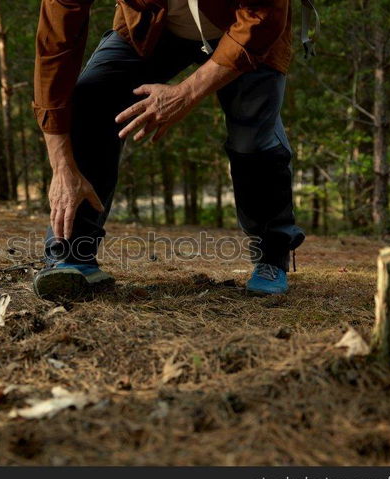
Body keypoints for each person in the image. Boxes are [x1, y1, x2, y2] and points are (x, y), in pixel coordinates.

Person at [32, 0, 306, 301]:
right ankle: (72, 253)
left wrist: (186, 94)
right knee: (93, 99)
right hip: (154, 25)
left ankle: (271, 255)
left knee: (252, 135)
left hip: (247, 25)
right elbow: (56, 44)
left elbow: (263, 17)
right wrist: (61, 167)